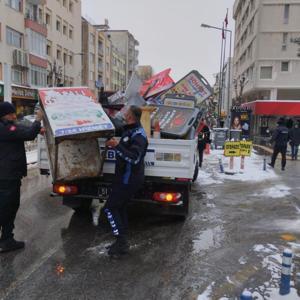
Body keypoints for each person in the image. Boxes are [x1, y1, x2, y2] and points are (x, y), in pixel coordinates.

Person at [103, 105, 148, 257]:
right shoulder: (129, 129)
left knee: (110, 208)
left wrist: (117, 146)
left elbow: (134, 158)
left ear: (130, 116)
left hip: (129, 180)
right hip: (123, 178)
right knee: (120, 208)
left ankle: (121, 242)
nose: (123, 114)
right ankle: (121, 242)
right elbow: (115, 125)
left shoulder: (139, 135)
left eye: (125, 112)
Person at [0, 102, 43, 253]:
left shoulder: (7, 127)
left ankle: (6, 239)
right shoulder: (6, 128)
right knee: (7, 207)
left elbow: (21, 129)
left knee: (8, 207)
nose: (14, 116)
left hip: (7, 175)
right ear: (4, 115)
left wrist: (38, 129)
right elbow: (27, 133)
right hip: (7, 176)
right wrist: (38, 120)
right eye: (11, 113)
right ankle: (5, 240)